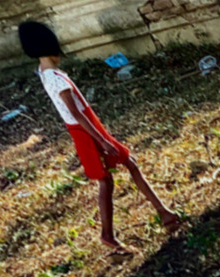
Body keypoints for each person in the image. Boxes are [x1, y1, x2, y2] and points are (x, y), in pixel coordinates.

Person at [18, 20, 182, 253]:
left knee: (120, 169)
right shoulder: (55, 77)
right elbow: (76, 113)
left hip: (85, 130)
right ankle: (115, 232)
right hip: (87, 132)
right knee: (110, 177)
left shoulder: (44, 73)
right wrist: (103, 140)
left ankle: (162, 214)